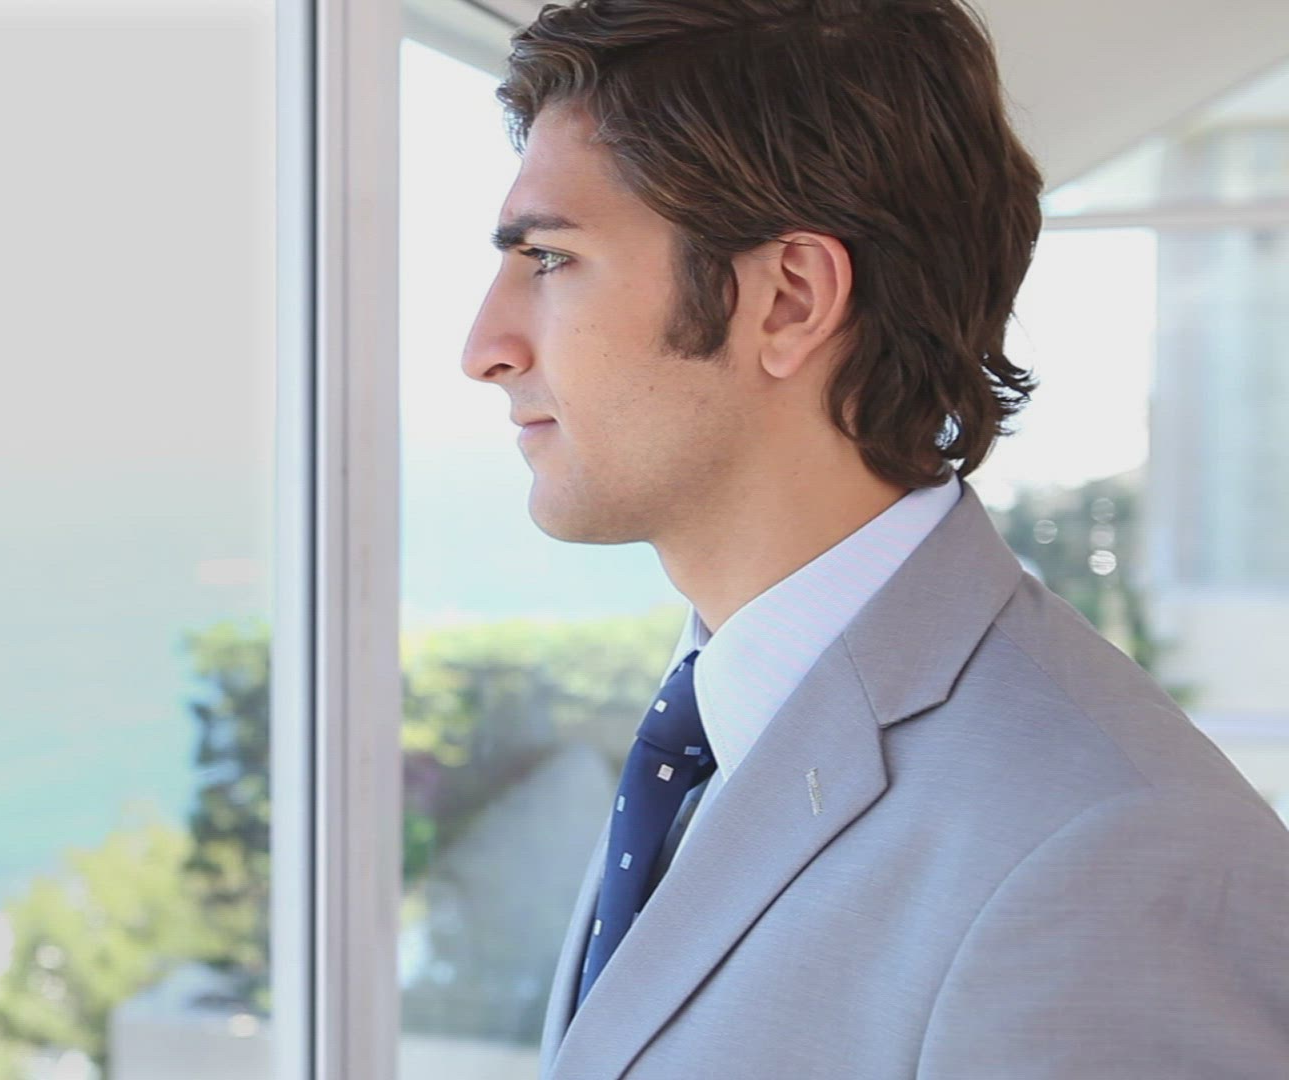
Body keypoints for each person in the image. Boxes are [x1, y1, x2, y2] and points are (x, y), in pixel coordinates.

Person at [458, 1, 1289, 1077]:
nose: (484, 346)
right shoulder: (713, 727)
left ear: (790, 300)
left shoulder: (1116, 856)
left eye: (551, 258)